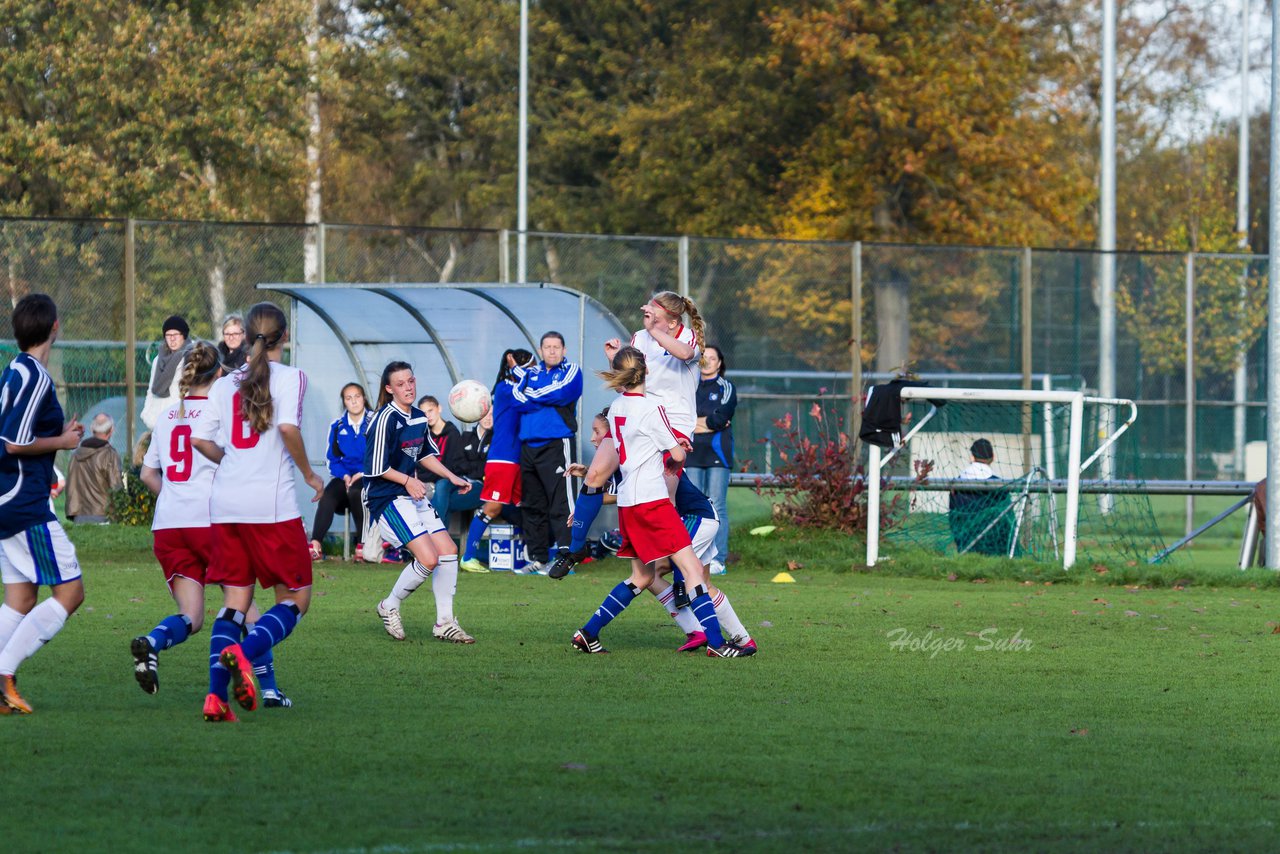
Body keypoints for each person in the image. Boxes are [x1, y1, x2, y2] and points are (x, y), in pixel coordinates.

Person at [131, 342, 290, 707]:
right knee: (245, 609)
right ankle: (267, 690)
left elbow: (147, 474)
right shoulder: (220, 414)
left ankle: (153, 643)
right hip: (212, 522)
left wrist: (174, 496)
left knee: (192, 616)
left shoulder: (167, 417)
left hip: (169, 524)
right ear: (219, 373)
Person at [190, 301, 325, 723]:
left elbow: (201, 441)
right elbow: (287, 428)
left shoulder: (225, 383)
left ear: (247, 337)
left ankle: (216, 698)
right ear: (284, 337)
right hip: (271, 506)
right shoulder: (291, 377)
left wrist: (231, 462)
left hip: (225, 503)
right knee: (296, 598)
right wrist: (310, 476)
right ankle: (242, 653)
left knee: (234, 604)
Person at [569, 346, 751, 658]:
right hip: (653, 501)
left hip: (628, 503)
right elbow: (677, 454)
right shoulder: (652, 408)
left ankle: (588, 633)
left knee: (642, 576)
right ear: (646, 372)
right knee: (693, 570)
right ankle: (719, 644)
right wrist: (678, 446)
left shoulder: (615, 407)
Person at [550, 290, 706, 579]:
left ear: (672, 321)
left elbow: (684, 354)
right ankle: (575, 549)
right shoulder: (639, 336)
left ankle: (683, 575)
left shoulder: (686, 336)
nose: (644, 308)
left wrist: (653, 331)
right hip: (636, 414)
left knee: (665, 501)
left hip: (672, 425)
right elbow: (629, 381)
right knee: (595, 474)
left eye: (653, 308)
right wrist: (614, 359)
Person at [0, 294, 86, 713]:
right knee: (71, 593)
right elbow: (15, 443)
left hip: (7, 498)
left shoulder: (14, 369)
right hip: (25, 502)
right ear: (55, 327)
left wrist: (59, 433)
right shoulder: (35, 374)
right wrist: (65, 441)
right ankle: (4, 675)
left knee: (20, 599)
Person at [367, 361, 477, 643]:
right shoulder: (384, 419)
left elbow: (425, 454)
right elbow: (376, 467)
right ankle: (389, 605)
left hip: (410, 494)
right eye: (400, 384)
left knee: (448, 550)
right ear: (389, 389)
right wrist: (407, 481)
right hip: (387, 498)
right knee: (428, 558)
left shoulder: (418, 417)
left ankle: (444, 622)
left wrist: (453, 477)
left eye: (411, 381)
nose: (408, 388)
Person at [511, 332, 582, 574]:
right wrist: (543, 393)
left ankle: (565, 557)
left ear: (564, 350)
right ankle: (538, 559)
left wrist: (535, 393)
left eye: (556, 347)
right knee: (532, 504)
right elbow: (517, 398)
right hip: (528, 446)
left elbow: (562, 393)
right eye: (547, 347)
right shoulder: (531, 373)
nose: (552, 351)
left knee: (562, 503)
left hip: (556, 444)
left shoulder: (572, 370)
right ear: (540, 350)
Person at [459, 348, 532, 573]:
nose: (534, 372)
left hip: (518, 458)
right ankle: (468, 556)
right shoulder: (506, 388)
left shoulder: (518, 387)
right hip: (503, 458)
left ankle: (535, 556)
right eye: (530, 367)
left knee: (527, 507)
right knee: (492, 507)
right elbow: (529, 401)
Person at [685, 344, 736, 575]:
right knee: (695, 507)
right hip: (692, 453)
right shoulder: (688, 386)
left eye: (712, 357)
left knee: (717, 504)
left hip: (718, 453)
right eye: (703, 356)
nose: (707, 361)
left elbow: (721, 419)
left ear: (719, 363)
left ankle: (719, 559)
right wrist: (704, 423)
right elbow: (683, 419)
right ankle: (694, 556)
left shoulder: (726, 387)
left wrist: (697, 423)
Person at [309, 383, 373, 561]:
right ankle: (316, 545)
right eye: (349, 398)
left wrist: (362, 473)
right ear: (344, 402)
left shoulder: (375, 422)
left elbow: (379, 456)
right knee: (327, 495)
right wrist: (345, 476)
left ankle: (362, 546)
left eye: (357, 396)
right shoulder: (337, 426)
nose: (354, 401)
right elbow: (332, 460)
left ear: (364, 398)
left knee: (356, 491)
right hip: (344, 477)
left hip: (368, 477)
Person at [948, 438, 1015, 557]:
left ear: (972, 457)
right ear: (993, 457)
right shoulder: (999, 485)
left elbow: (953, 516)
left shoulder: (956, 483)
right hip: (993, 541)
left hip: (964, 538)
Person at [64, 412, 123, 524]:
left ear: (92, 429)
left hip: (79, 517)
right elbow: (116, 488)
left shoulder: (76, 454)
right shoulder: (110, 455)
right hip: (104, 516)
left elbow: (70, 487)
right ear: (111, 430)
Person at [141, 315, 193, 429]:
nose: (172, 339)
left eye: (175, 335)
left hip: (181, 419)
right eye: (168, 335)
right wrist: (147, 414)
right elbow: (151, 390)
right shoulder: (158, 359)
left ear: (183, 335)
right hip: (158, 420)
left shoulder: (191, 356)